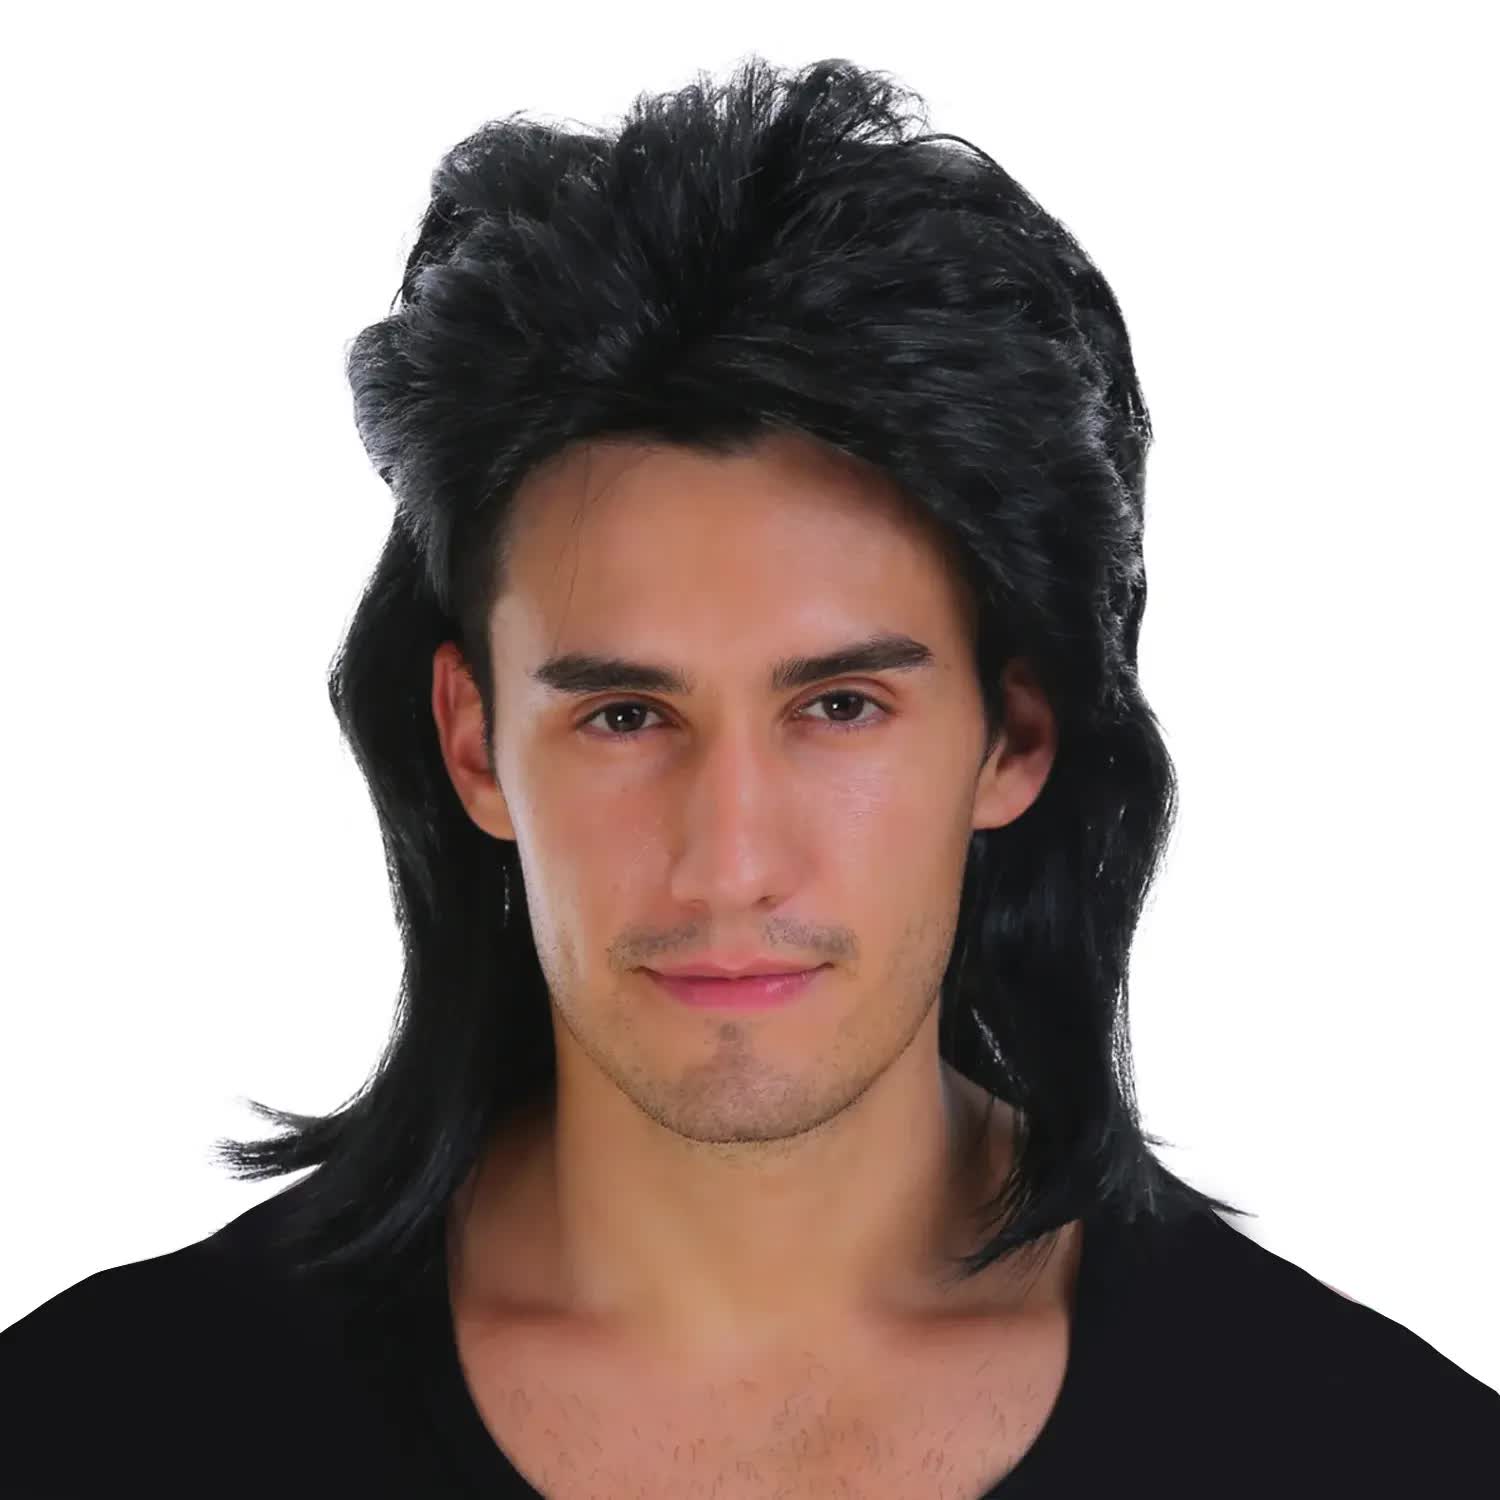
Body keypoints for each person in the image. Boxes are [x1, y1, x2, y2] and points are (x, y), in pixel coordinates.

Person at [2, 53, 1494, 1500]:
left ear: (1014, 734)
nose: (728, 863)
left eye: (839, 707)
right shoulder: (96, 1430)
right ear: (473, 742)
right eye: (625, 716)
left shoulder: (1383, 1456)